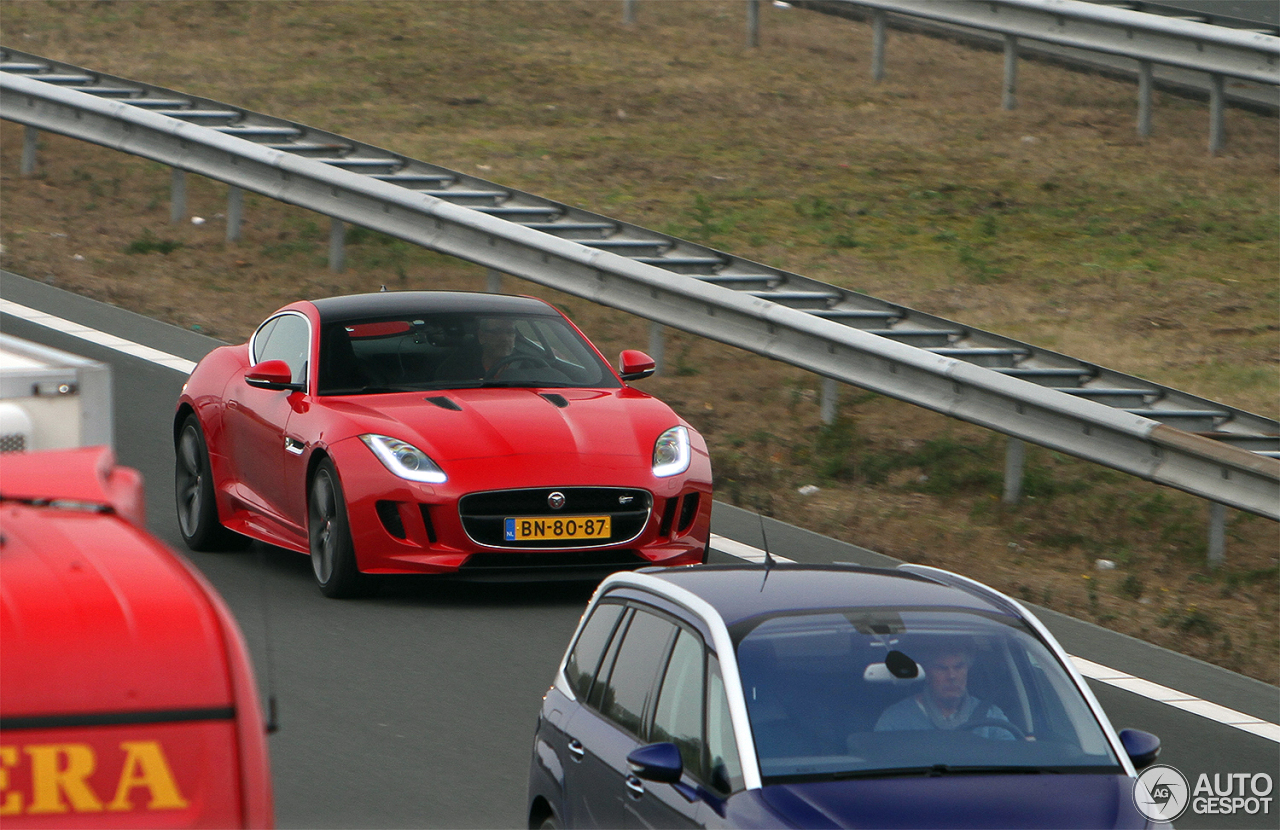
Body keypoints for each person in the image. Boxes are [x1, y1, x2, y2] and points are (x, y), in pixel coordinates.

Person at [874, 644, 1017, 740]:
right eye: (941, 668)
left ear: (968, 669)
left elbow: (1012, 758)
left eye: (959, 667)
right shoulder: (896, 720)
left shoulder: (991, 717)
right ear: (927, 673)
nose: (952, 676)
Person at [435, 317, 520, 381]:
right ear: (481, 336)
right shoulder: (456, 369)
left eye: (510, 332)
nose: (505, 338)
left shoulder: (525, 365)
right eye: (496, 332)